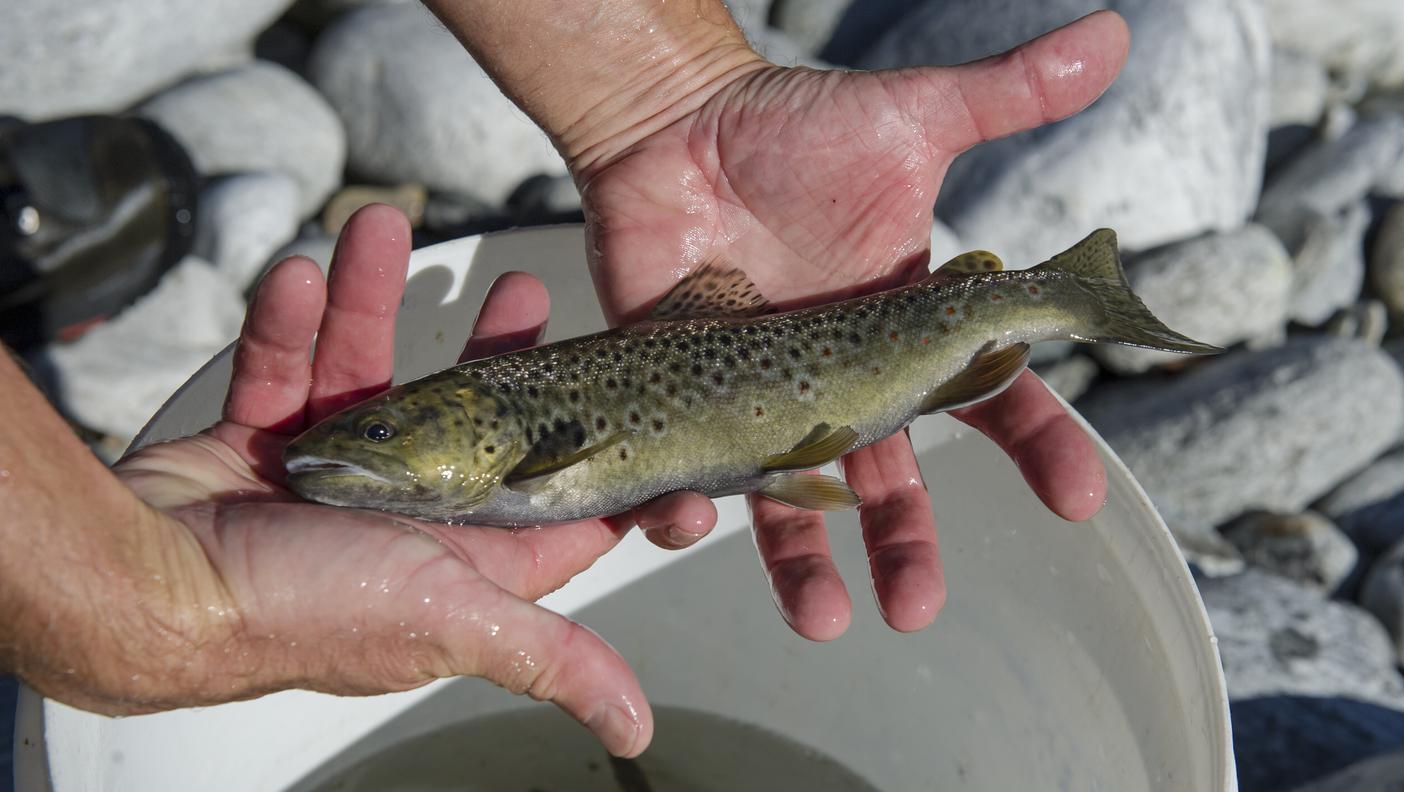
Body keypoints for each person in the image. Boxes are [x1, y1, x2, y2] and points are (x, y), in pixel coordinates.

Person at [0, 2, 1128, 758]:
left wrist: (668, 88)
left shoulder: (522, 448)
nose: (355, 447)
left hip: (863, 356)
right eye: (389, 432)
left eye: (389, 432)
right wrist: (135, 595)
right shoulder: (489, 453)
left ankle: (1073, 289)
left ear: (484, 431)